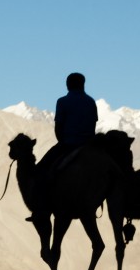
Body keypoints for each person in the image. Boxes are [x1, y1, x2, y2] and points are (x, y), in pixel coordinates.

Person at [27, 72, 98, 220]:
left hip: (68, 144)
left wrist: (62, 141)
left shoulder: (63, 102)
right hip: (89, 146)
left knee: (40, 170)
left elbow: (59, 126)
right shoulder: (91, 102)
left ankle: (41, 210)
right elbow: (93, 126)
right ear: (83, 84)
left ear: (68, 84)